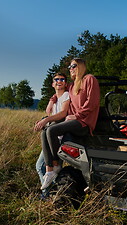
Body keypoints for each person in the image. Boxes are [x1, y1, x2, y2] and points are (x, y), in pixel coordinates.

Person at [39, 58, 100, 190]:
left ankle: (56, 164)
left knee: (51, 131)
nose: (71, 69)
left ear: (81, 67)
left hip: (83, 122)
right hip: (73, 121)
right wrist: (52, 99)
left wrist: (77, 115)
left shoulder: (89, 79)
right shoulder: (72, 85)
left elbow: (93, 103)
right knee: (45, 131)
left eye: (73, 66)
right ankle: (50, 169)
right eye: (70, 67)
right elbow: (59, 90)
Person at [34, 73, 70, 195]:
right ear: (53, 83)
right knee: (47, 168)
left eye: (62, 79)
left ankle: (48, 195)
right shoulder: (55, 99)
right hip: (51, 137)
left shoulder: (66, 95)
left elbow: (63, 114)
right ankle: (52, 194)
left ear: (65, 83)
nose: (59, 81)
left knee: (41, 166)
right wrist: (45, 118)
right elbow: (50, 114)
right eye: (56, 79)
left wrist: (46, 120)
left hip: (58, 139)